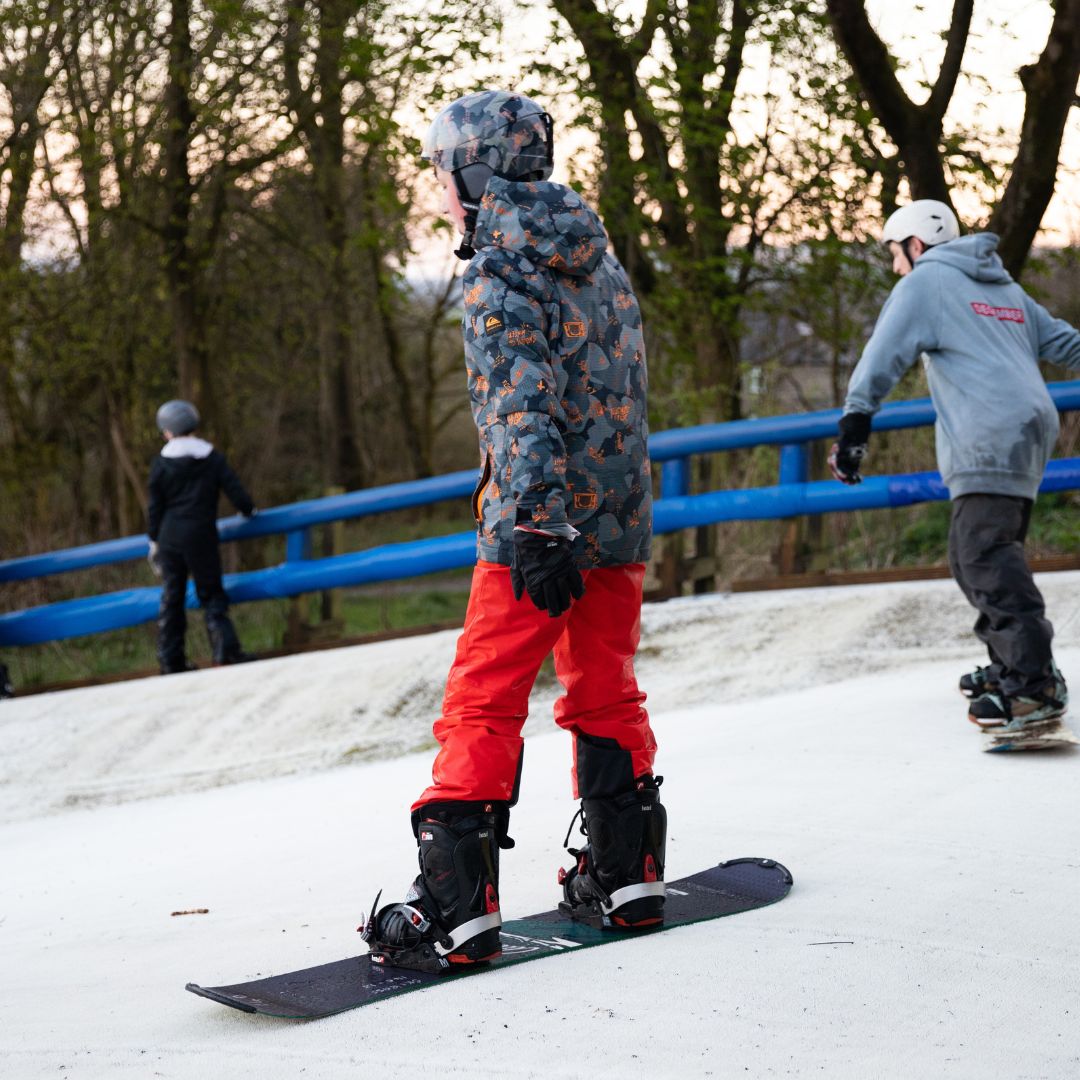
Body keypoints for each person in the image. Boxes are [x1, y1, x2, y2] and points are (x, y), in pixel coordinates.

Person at [362, 90, 665, 974]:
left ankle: (454, 912)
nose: (441, 194)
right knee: (605, 687)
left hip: (541, 525)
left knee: (483, 696)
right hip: (619, 522)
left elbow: (521, 402)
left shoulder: (500, 269)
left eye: (442, 175)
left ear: (475, 170)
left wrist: (537, 519)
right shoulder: (599, 258)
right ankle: (628, 876)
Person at [829, 199, 1080, 731]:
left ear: (915, 245)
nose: (897, 266)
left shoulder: (926, 283)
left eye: (898, 254)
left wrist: (855, 423)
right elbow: (1065, 343)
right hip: (1031, 427)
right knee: (973, 555)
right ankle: (1008, 665)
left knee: (985, 556)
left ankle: (1032, 687)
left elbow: (883, 354)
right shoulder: (1003, 288)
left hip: (989, 431)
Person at [147, 399, 256, 674]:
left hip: (170, 536)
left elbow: (154, 506)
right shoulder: (211, 457)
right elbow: (235, 490)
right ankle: (224, 651)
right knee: (211, 593)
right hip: (201, 534)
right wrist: (249, 509)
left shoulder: (161, 463)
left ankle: (170, 660)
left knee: (172, 597)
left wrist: (153, 539)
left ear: (168, 431)